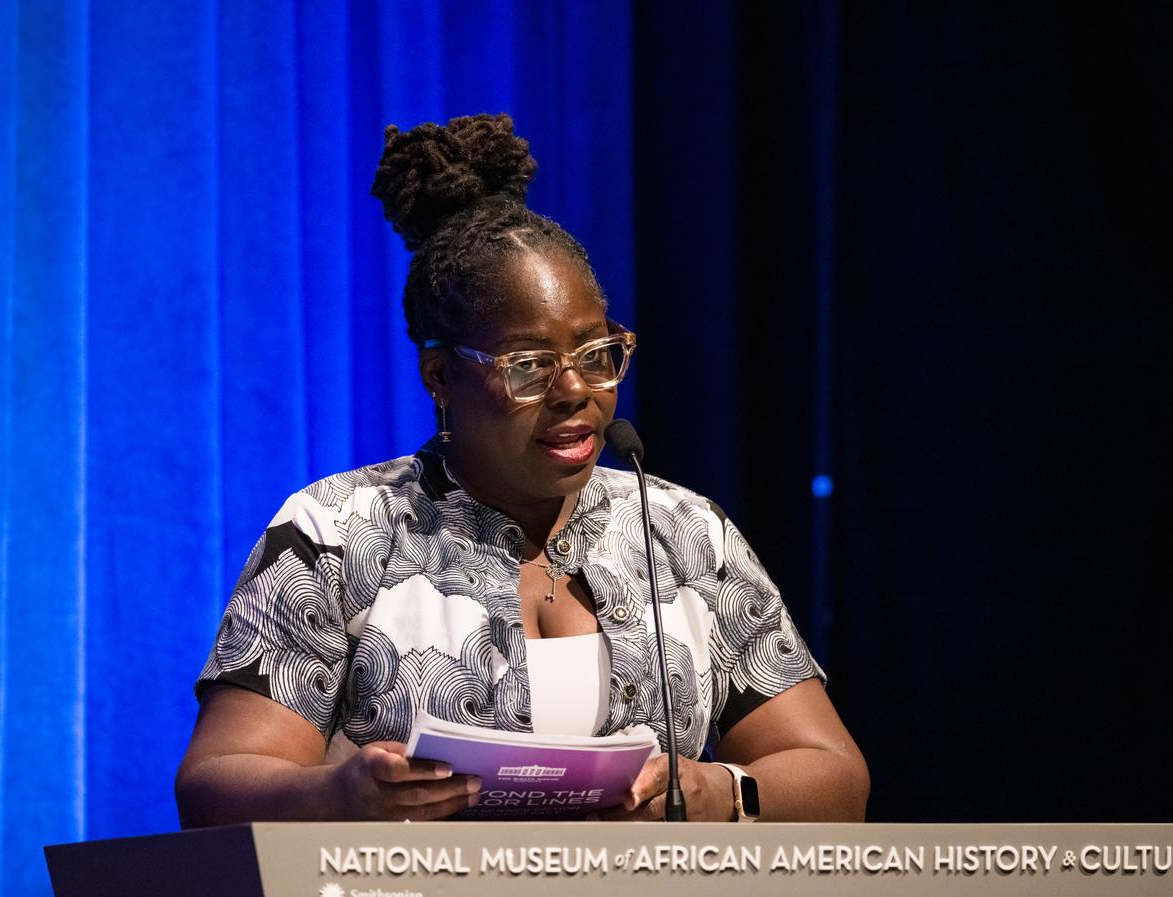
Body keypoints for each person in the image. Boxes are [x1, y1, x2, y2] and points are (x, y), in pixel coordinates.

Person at [175, 113, 869, 825]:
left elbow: (836, 776)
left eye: (597, 354)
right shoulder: (337, 533)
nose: (577, 391)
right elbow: (214, 785)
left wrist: (725, 792)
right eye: (530, 366)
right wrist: (339, 793)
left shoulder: (686, 534)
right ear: (440, 374)